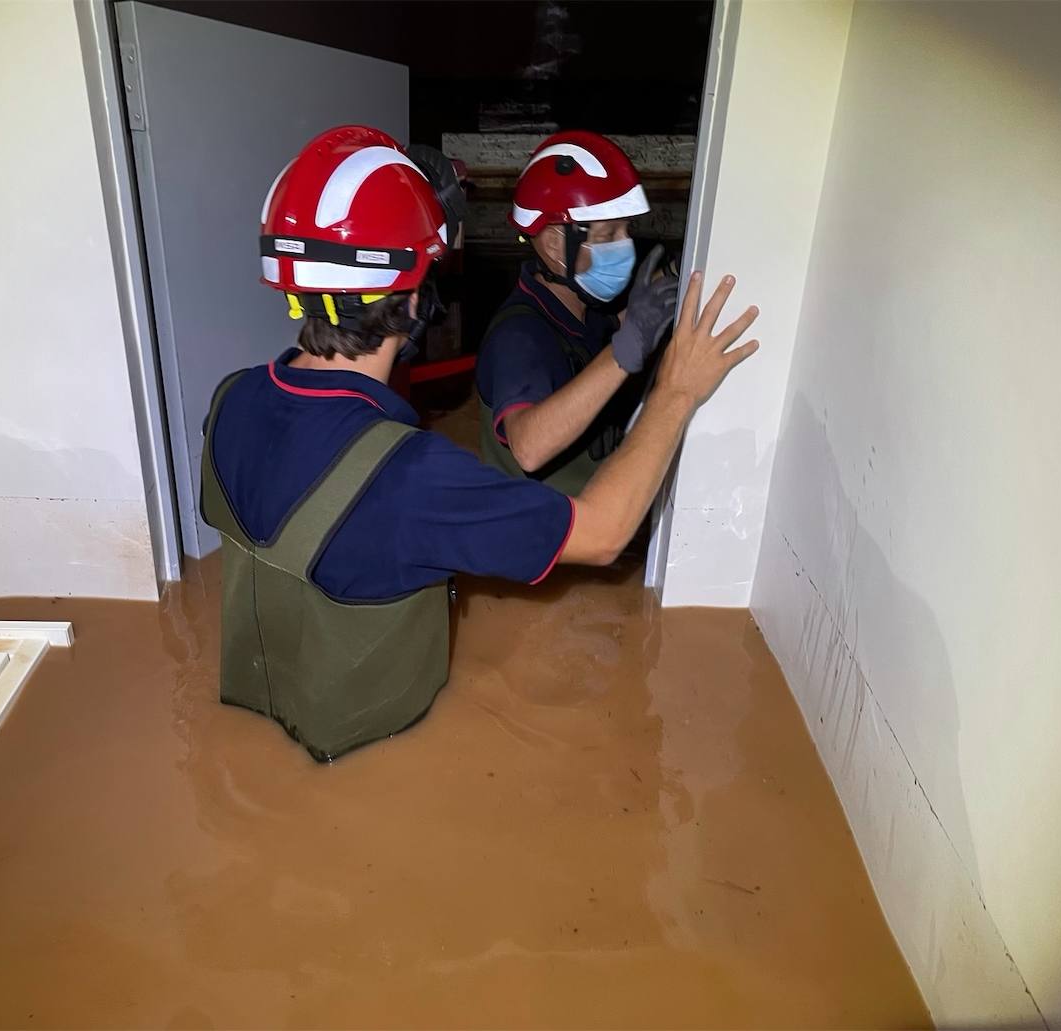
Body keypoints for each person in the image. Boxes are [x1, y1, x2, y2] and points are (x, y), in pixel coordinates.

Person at [201, 125, 759, 762]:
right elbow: (602, 534)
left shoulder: (230, 400)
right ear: (414, 297)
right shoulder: (413, 475)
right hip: (381, 743)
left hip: (261, 717)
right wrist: (677, 391)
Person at [477, 131, 679, 495]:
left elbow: (612, 327)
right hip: (537, 543)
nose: (625, 246)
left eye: (626, 230)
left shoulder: (582, 310)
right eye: (607, 236)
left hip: (583, 527)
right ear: (556, 245)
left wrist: (675, 279)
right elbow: (529, 447)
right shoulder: (520, 336)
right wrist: (626, 349)